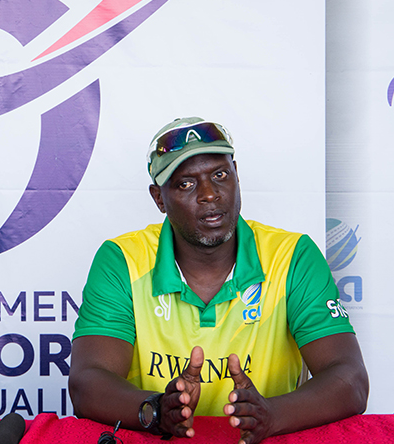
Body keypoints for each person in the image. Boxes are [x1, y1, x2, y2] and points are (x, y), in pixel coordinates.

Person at [68, 118, 368, 444]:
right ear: (159, 198)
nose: (210, 194)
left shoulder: (292, 256)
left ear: (236, 174)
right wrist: (156, 410)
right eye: (186, 184)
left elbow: (350, 379)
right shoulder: (122, 260)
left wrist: (271, 415)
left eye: (220, 175)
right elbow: (87, 381)